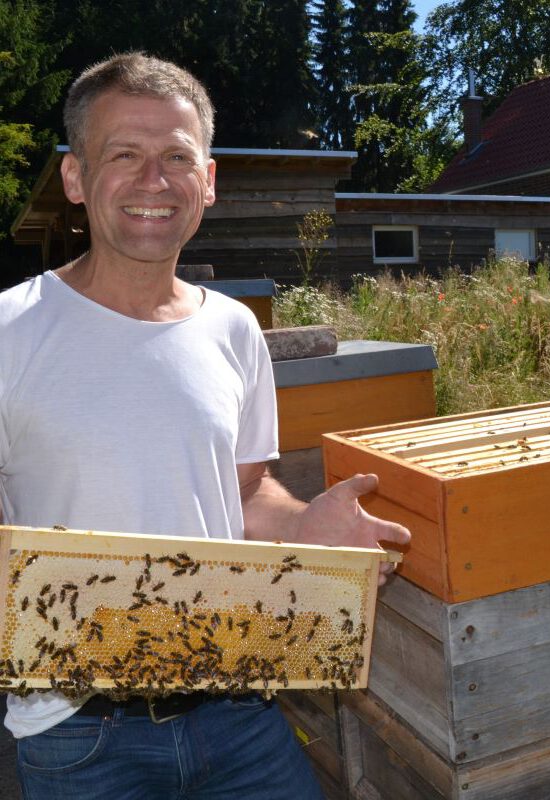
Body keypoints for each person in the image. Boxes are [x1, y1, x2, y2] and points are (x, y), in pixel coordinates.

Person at [0, 52, 410, 800]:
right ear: (74, 178)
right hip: (77, 735)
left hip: (239, 712)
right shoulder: (9, 331)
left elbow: (245, 494)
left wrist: (305, 525)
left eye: (176, 159)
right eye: (123, 155)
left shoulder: (233, 330)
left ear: (209, 181)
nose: (153, 181)